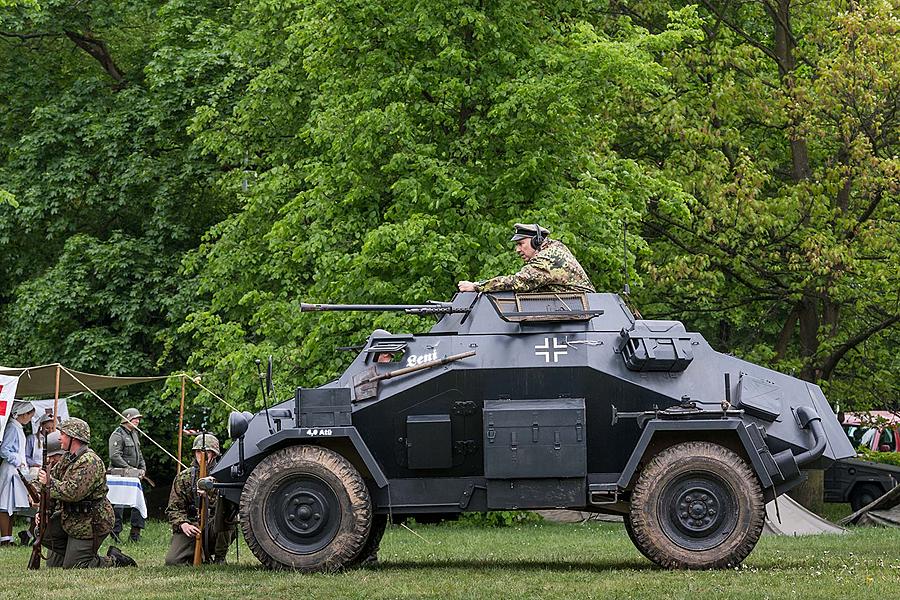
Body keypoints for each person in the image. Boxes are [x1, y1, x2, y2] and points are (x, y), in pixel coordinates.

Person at [37, 417, 136, 568]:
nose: (59, 437)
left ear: (73, 437)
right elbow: (46, 481)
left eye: (62, 434)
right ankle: (74, 553)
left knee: (75, 566)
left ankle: (115, 561)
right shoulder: (67, 458)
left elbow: (73, 492)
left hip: (91, 520)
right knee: (43, 532)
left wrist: (49, 483)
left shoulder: (90, 461)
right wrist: (42, 508)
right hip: (70, 517)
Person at [458, 223, 595, 294]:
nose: (517, 250)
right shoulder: (555, 248)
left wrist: (477, 286)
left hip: (578, 315)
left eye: (520, 244)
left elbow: (518, 282)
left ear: (536, 241)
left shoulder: (548, 258)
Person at [165, 434, 237, 565]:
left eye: (207, 452)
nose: (202, 456)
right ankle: (199, 554)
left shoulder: (223, 478)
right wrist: (183, 524)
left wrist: (208, 495)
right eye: (198, 452)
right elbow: (173, 508)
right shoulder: (184, 478)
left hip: (214, 526)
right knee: (173, 561)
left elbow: (230, 507)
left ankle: (220, 557)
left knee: (228, 516)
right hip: (192, 526)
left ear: (214, 454)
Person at [0, 401, 36, 546]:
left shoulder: (18, 428)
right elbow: (4, 450)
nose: (30, 419)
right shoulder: (12, 428)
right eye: (29, 415)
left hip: (15, 471)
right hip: (9, 470)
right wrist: (17, 460)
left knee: (11, 506)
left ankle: (9, 538)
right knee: (4, 505)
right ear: (22, 414)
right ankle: (5, 539)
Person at [108, 408, 146, 542]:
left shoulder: (135, 433)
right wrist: (129, 468)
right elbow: (114, 456)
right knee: (118, 504)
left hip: (133, 475)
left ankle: (135, 533)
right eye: (135, 418)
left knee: (138, 502)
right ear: (127, 419)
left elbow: (139, 454)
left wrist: (142, 467)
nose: (138, 420)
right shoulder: (117, 434)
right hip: (119, 475)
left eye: (138, 418)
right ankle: (115, 533)